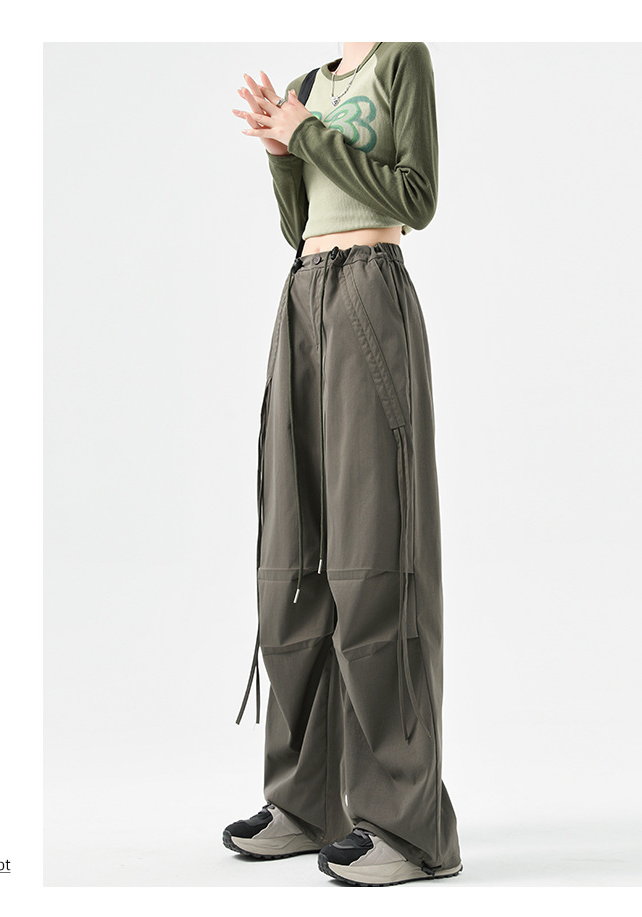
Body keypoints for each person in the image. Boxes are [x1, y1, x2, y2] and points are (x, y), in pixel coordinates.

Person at [223, 42, 462, 887]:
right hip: (302, 293)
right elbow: (299, 223)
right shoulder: (304, 84)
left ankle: (408, 825)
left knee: (374, 558)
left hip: (369, 291)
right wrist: (281, 154)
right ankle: (305, 802)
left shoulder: (401, 60)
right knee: (292, 556)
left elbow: (415, 197)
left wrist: (308, 137)